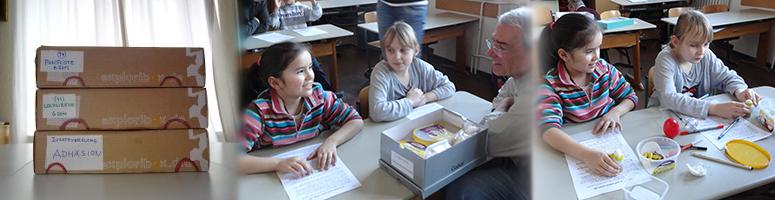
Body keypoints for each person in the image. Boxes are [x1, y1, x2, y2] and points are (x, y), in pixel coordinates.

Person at [444, 8, 534, 200]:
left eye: (501, 47)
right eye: (493, 42)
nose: (489, 52)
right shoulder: (520, 76)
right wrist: (503, 107)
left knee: (460, 187)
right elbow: (501, 97)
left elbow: (483, 139)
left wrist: (501, 110)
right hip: (517, 158)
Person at [238, 42, 364, 176]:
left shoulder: (320, 98)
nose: (310, 76)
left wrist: (332, 142)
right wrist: (277, 164)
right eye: (300, 71)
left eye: (310, 67)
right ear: (275, 82)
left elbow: (355, 120)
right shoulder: (258, 113)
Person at [538, 13, 638, 177]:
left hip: (610, 140)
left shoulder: (604, 70)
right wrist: (586, 155)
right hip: (576, 149)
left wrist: (616, 112)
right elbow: (547, 130)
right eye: (589, 51)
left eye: (599, 48)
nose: (597, 56)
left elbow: (631, 97)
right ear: (564, 55)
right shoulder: (550, 85)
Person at [648, 10, 759, 119]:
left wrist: (740, 90)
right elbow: (669, 98)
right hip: (662, 117)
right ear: (676, 42)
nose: (702, 51)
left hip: (692, 118)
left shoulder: (706, 55)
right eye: (694, 45)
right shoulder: (665, 59)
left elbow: (727, 77)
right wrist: (714, 108)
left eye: (706, 44)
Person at [368, 21, 455, 122]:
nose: (397, 57)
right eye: (390, 50)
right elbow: (377, 113)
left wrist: (424, 98)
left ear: (415, 50)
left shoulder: (421, 67)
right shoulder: (381, 72)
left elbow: (449, 87)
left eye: (403, 50)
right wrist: (410, 101)